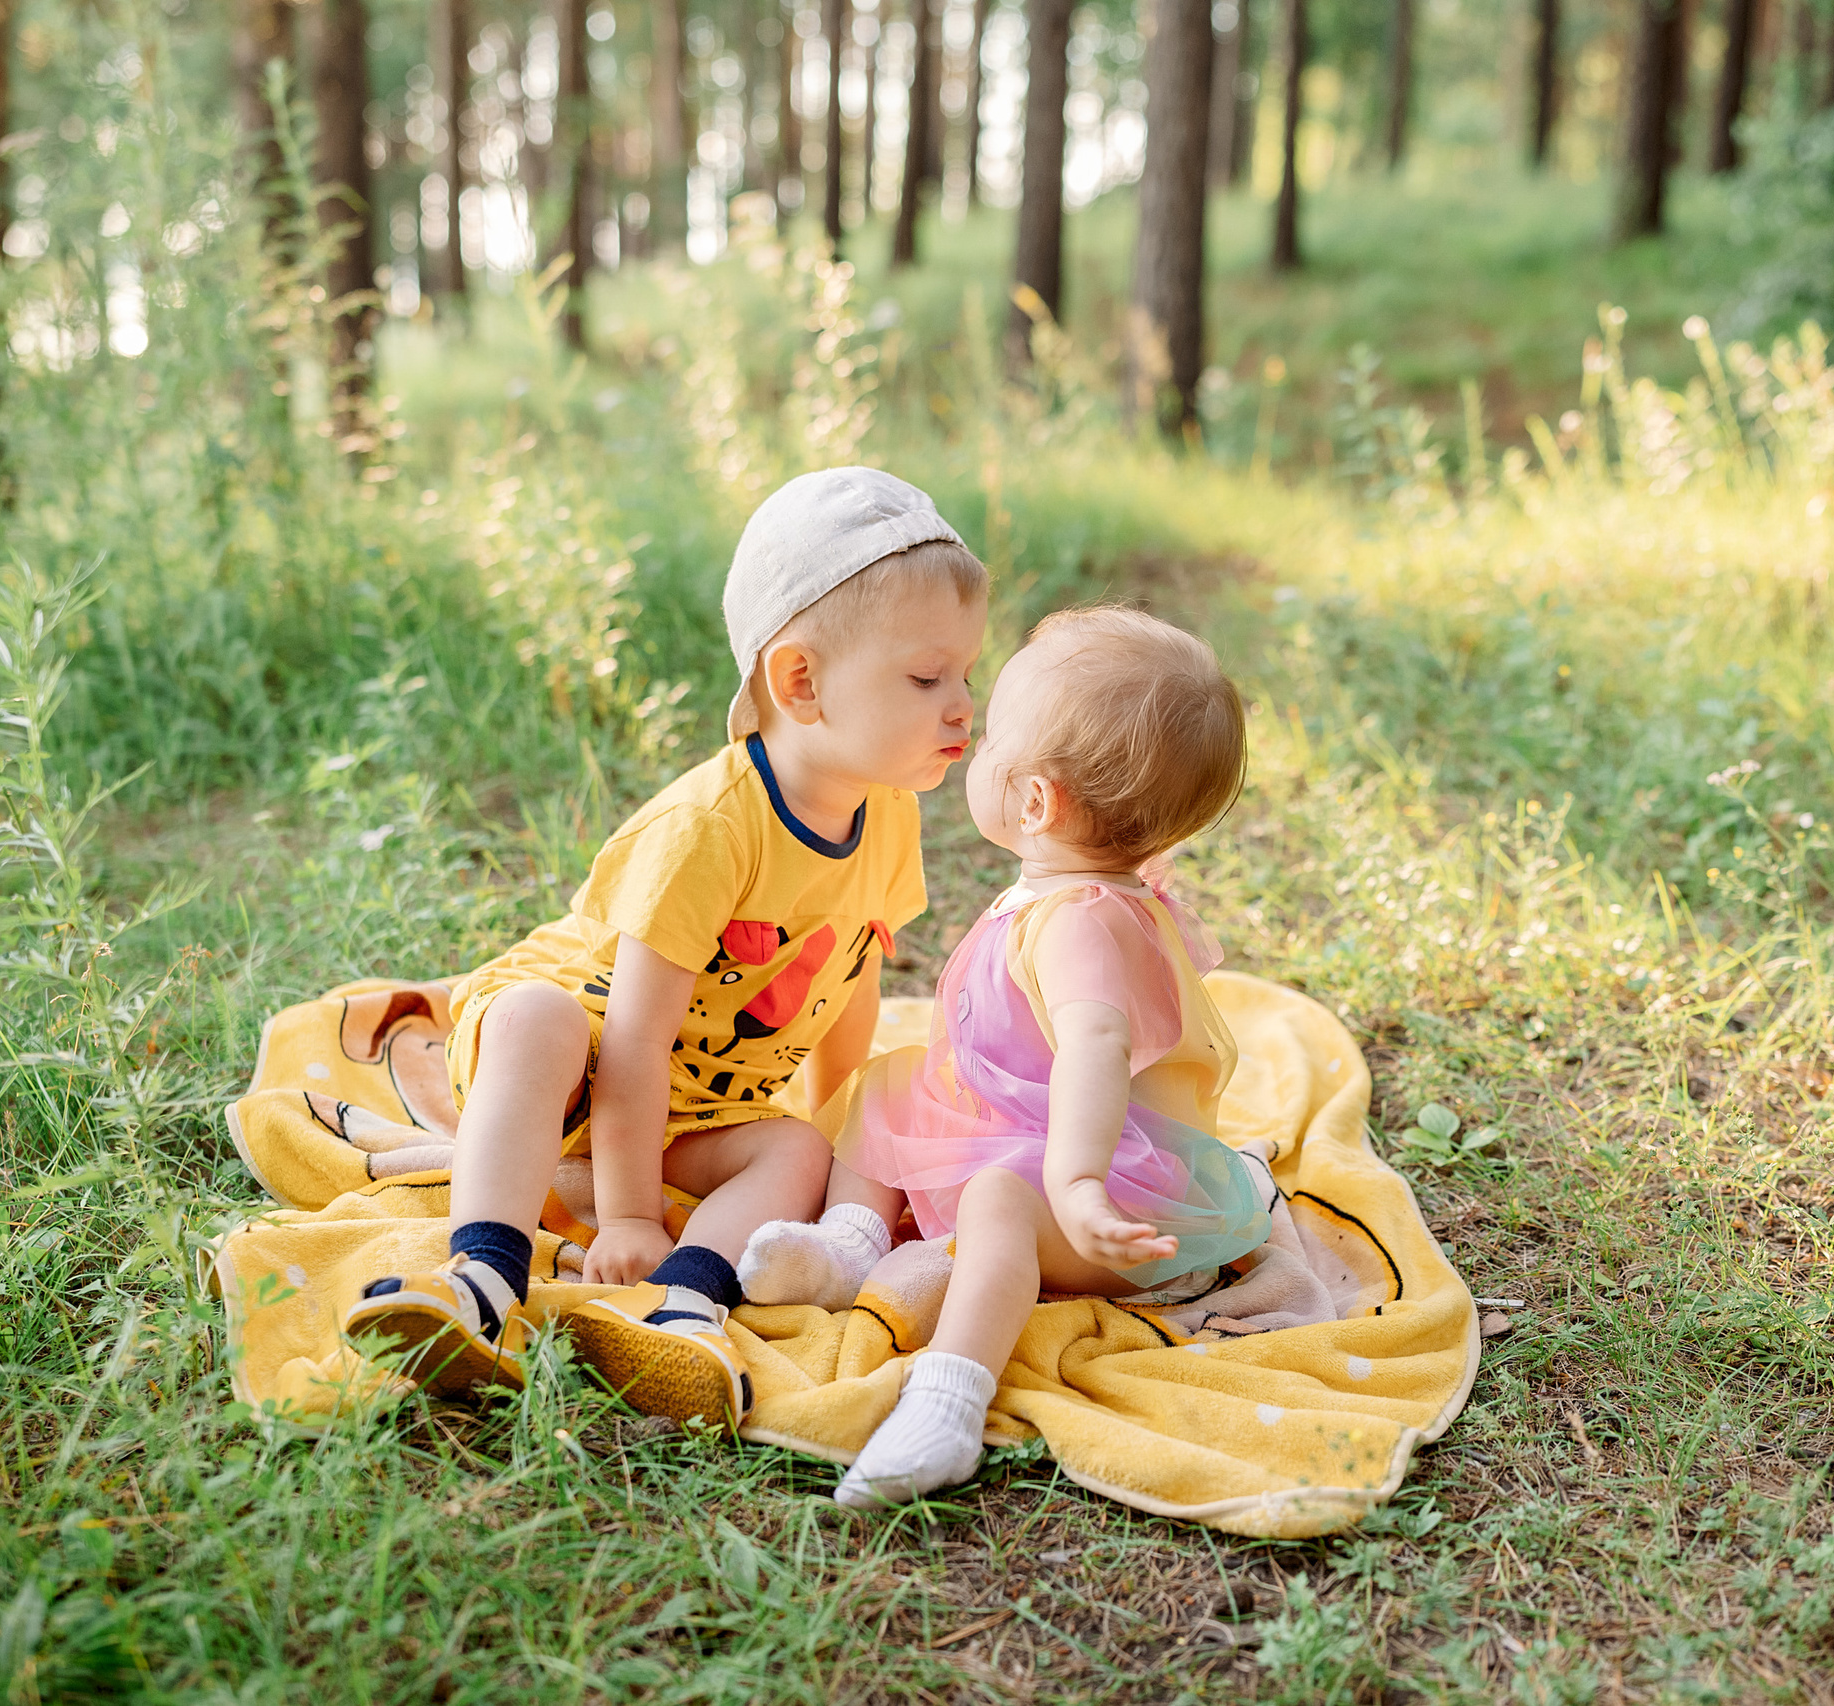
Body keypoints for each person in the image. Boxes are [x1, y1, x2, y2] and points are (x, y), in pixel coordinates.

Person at [343, 467, 987, 1427]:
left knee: (799, 1153)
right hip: (577, 1061)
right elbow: (633, 1039)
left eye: (965, 675)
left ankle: (684, 1302)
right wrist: (630, 1212)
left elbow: (851, 976)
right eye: (927, 678)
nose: (961, 705)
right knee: (538, 1019)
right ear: (800, 683)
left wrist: (838, 1129)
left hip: (690, 1105)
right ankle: (481, 1274)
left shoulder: (887, 813)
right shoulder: (709, 830)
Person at [737, 607, 1271, 1506]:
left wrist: (1076, 1186)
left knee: (998, 1201)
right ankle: (851, 1245)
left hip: (1121, 1192)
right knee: (890, 1086)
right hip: (1038, 1122)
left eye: (988, 740)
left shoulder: (1082, 925)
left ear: (1035, 802)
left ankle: (949, 1400)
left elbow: (1097, 1050)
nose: (966, 738)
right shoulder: (1079, 883)